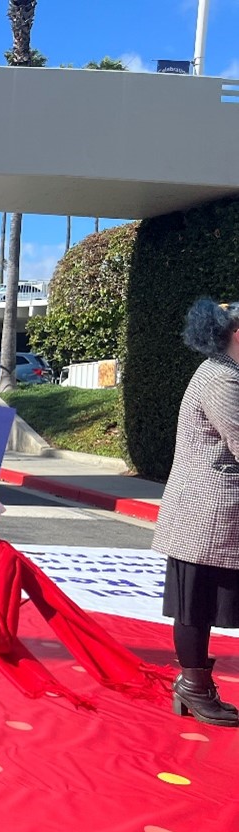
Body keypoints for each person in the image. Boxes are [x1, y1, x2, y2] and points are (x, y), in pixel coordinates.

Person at [152, 297, 239, 728]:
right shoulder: (223, 378)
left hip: (210, 512)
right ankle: (194, 687)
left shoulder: (224, 371)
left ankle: (195, 686)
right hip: (206, 512)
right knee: (194, 605)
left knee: (198, 603)